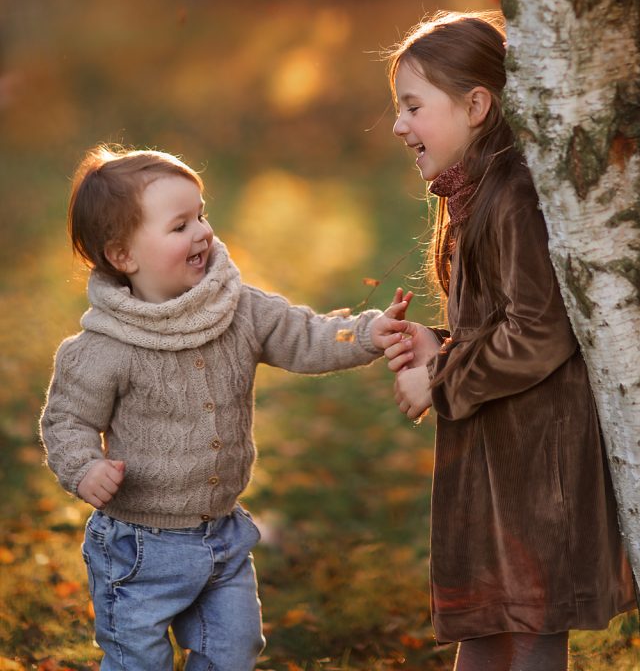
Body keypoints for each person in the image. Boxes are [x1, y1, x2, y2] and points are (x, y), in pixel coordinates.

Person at [40, 145, 415, 671]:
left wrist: (367, 332)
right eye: (179, 226)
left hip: (222, 537)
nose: (201, 233)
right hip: (139, 548)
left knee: (234, 650)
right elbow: (68, 420)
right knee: (136, 661)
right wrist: (84, 467)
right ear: (124, 256)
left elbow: (304, 334)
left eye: (201, 215)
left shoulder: (238, 309)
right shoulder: (106, 347)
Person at [383, 12, 635, 671]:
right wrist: (434, 343)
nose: (397, 124)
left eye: (412, 106)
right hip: (498, 460)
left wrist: (438, 379)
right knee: (490, 624)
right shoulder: (471, 195)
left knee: (526, 628)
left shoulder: (515, 195)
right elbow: (495, 323)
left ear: (474, 105)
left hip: (536, 467)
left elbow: (540, 331)